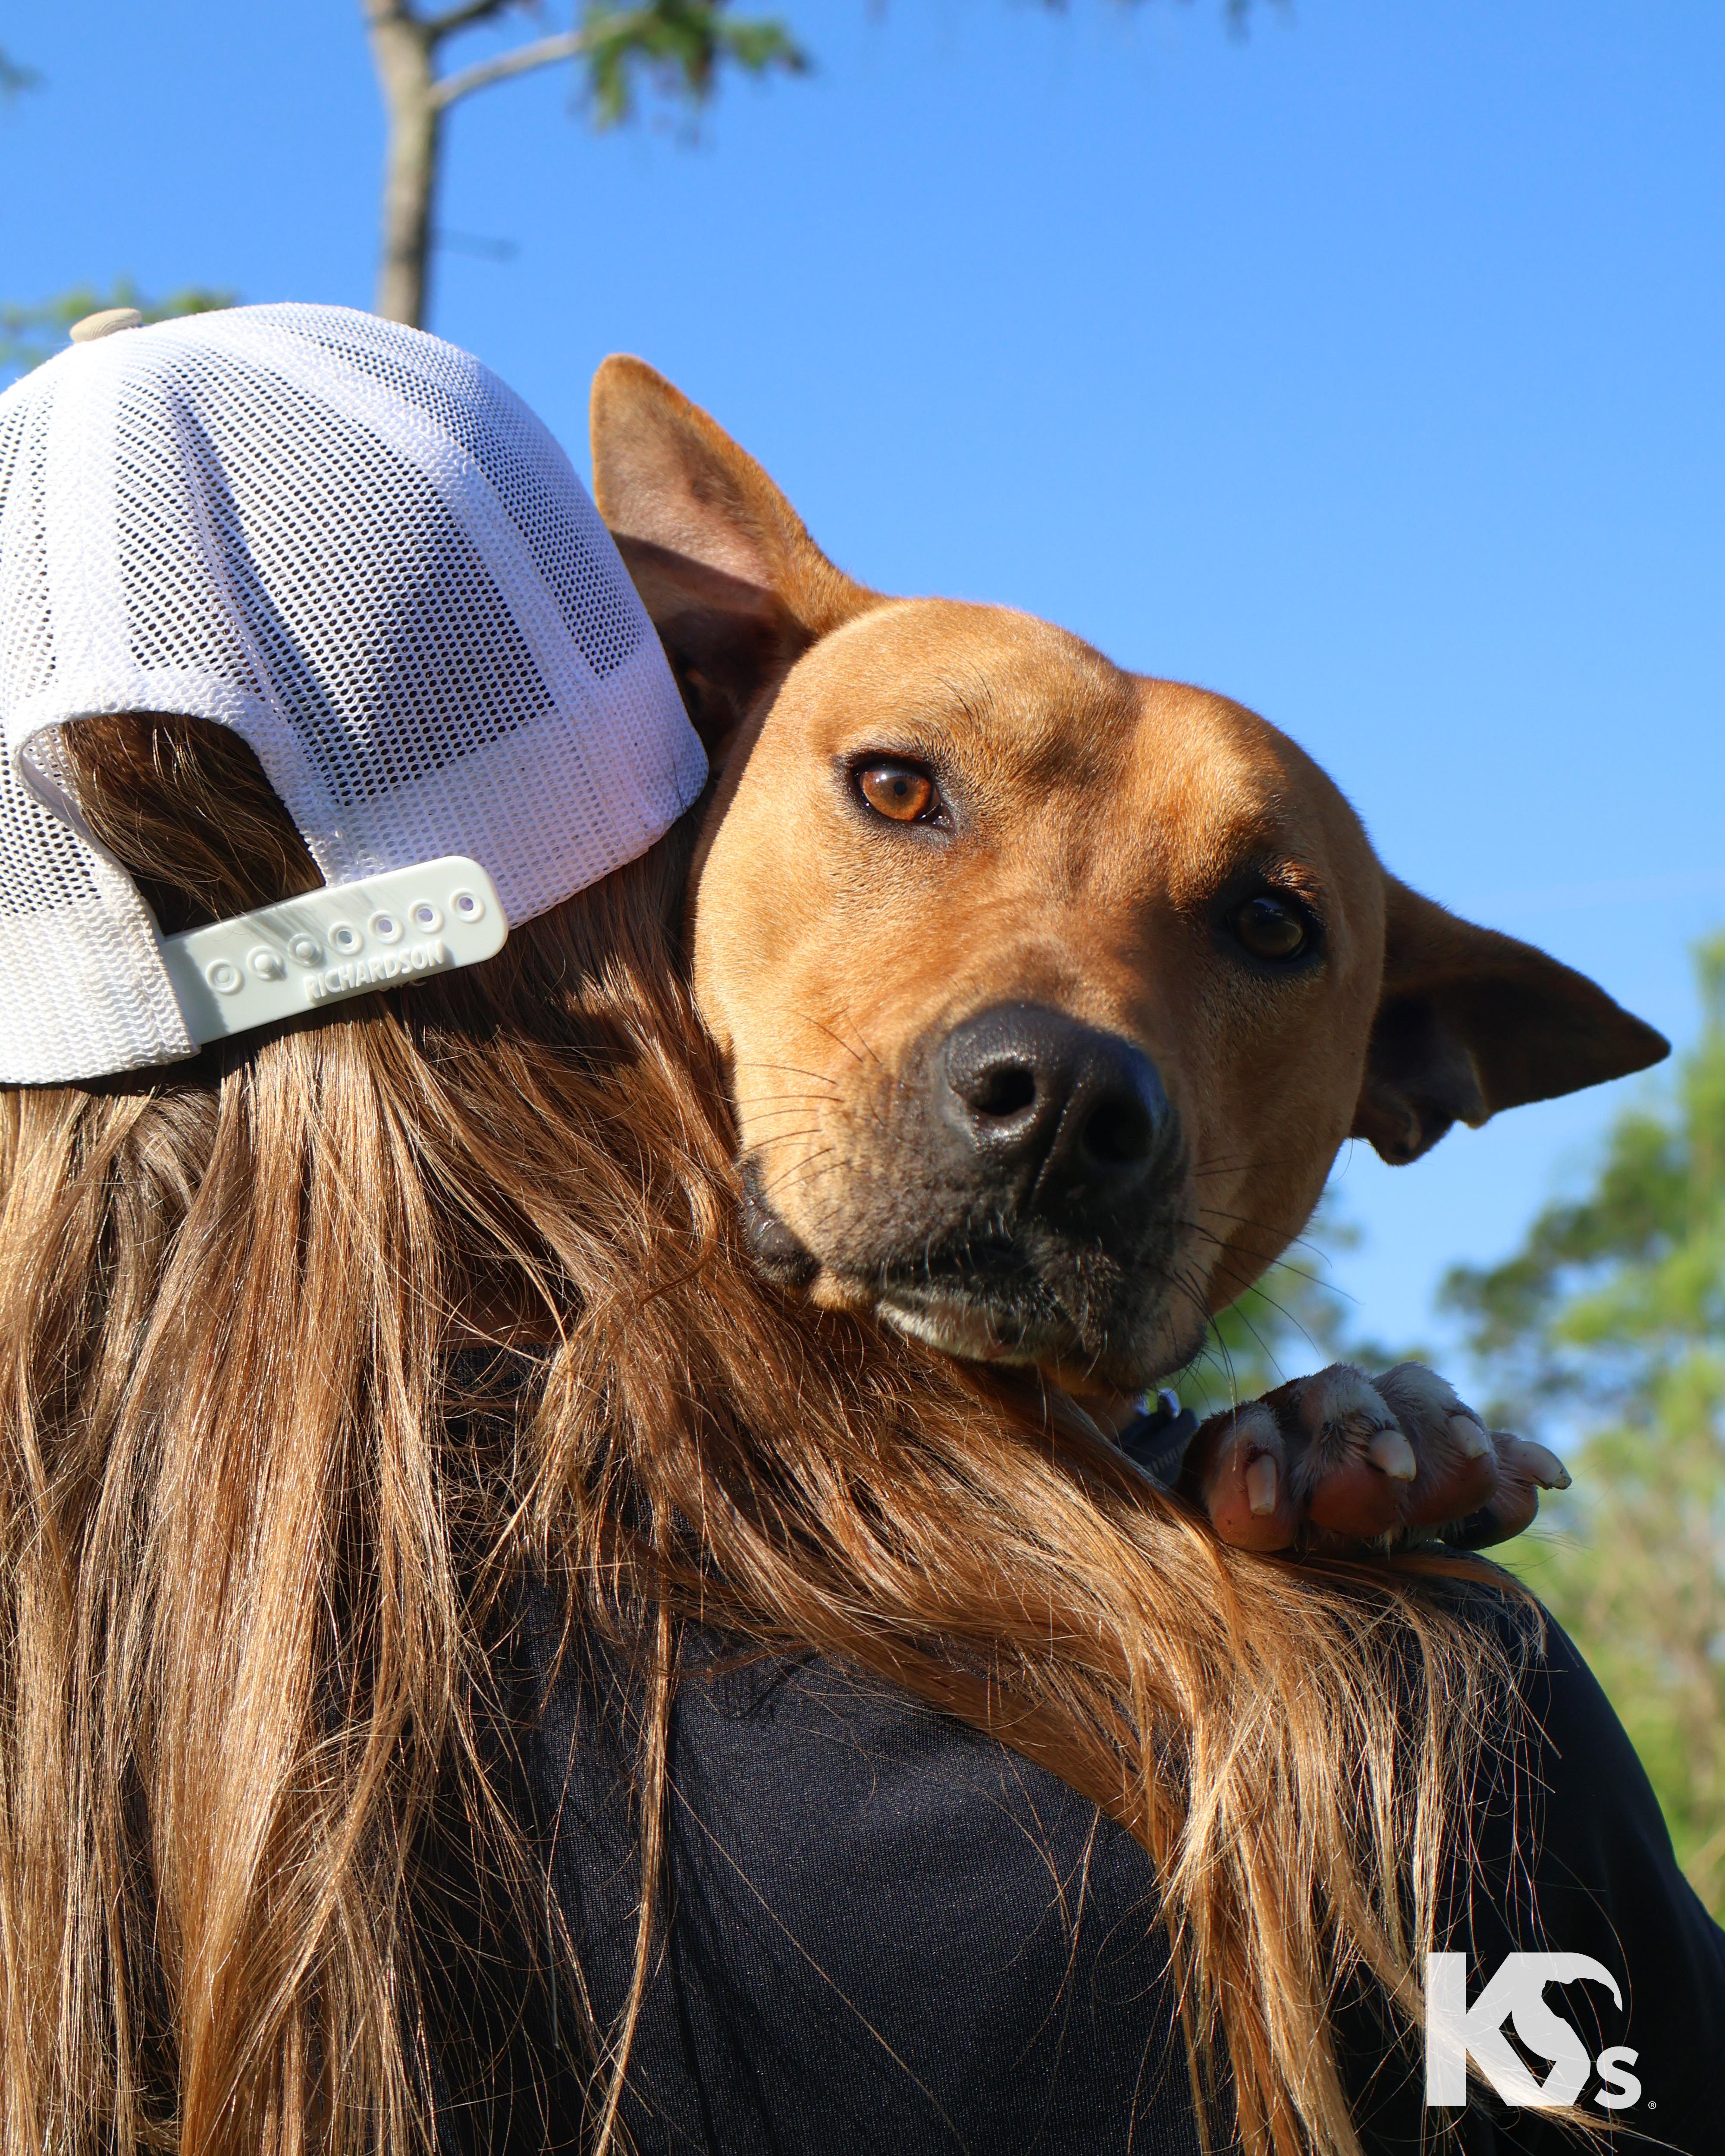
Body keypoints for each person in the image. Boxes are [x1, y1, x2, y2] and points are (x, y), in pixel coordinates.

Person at [0, 304, 1718, 2156]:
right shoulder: (1406, 1758)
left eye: (1262, 929)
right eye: (903, 794)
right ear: (672, 788)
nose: (1071, 1046)